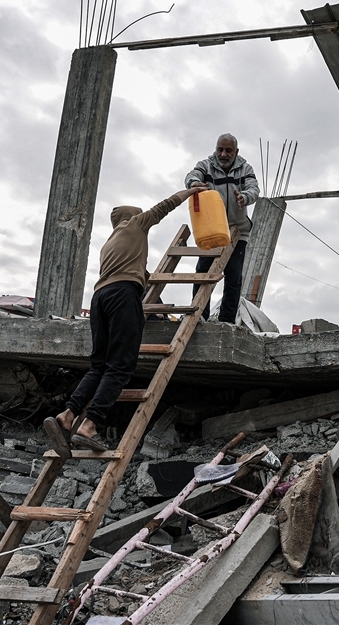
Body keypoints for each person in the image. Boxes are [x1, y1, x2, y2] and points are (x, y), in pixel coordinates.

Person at [45, 185, 206, 454]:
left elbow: (140, 272)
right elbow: (163, 207)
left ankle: (68, 414)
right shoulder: (134, 225)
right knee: (120, 367)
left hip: (99, 298)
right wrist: (189, 192)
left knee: (99, 365)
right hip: (122, 296)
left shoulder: (110, 244)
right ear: (131, 216)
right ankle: (90, 425)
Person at [185, 133, 260, 324]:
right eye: (220, 149)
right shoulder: (206, 165)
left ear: (236, 152)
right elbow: (191, 175)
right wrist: (194, 183)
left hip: (238, 231)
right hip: (212, 230)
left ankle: (226, 319)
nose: (223, 154)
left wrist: (244, 197)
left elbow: (254, 189)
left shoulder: (245, 168)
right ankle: (199, 314)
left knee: (233, 275)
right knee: (203, 272)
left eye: (228, 150)